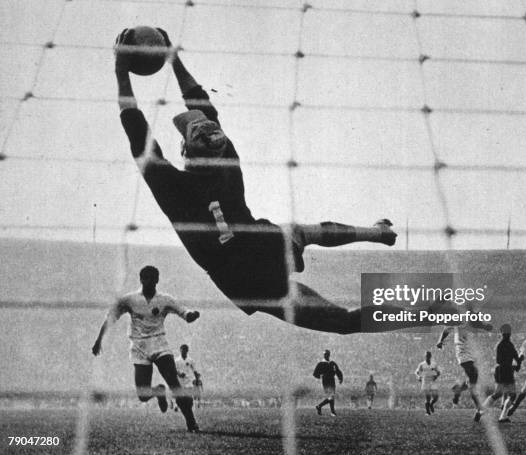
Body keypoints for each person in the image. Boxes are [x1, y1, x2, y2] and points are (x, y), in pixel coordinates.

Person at [113, 28, 397, 335]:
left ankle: (384, 247)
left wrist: (147, 65)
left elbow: (168, 116)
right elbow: (163, 118)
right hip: (254, 260)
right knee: (320, 273)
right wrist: (147, 66)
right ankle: (383, 247)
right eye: (201, 129)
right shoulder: (202, 174)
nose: (207, 128)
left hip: (249, 267)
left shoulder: (199, 172)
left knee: (335, 303)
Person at [91, 266, 201, 432]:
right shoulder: (130, 299)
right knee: (143, 395)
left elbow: (184, 312)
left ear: (157, 280)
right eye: (146, 278)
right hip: (139, 348)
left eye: (152, 278)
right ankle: (158, 391)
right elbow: (110, 317)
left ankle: (191, 422)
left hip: (159, 345)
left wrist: (191, 315)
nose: (149, 281)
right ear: (141, 279)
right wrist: (99, 340)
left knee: (175, 385)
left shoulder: (165, 299)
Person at [437, 311, 492, 422]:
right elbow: (446, 329)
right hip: (462, 352)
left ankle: (458, 390)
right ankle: (479, 408)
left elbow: (482, 324)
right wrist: (440, 341)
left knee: (473, 379)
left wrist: (486, 326)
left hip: (470, 352)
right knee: (473, 380)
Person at [482, 324, 522, 422]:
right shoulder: (503, 345)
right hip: (504, 371)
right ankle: (502, 416)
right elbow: (500, 361)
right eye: (505, 332)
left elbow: (516, 358)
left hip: (503, 371)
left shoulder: (506, 345)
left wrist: (518, 362)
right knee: (507, 394)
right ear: (502, 333)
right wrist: (516, 364)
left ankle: (482, 410)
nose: (506, 334)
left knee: (499, 394)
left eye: (507, 331)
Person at [313, 350, 343, 416]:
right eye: (325, 354)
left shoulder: (332, 363)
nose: (326, 355)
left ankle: (320, 406)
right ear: (324, 355)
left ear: (329, 355)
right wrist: (320, 376)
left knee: (331, 396)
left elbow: (338, 371)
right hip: (326, 381)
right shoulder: (320, 364)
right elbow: (315, 374)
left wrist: (340, 378)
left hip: (332, 381)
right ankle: (331, 411)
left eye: (327, 354)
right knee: (330, 396)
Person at [174, 344, 203, 410]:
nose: (183, 352)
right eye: (181, 350)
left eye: (184, 350)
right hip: (180, 379)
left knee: (188, 393)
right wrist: (179, 374)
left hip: (188, 379)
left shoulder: (190, 360)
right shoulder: (176, 360)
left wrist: (197, 379)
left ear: (187, 351)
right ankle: (176, 405)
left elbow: (194, 370)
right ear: (180, 350)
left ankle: (189, 405)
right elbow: (174, 370)